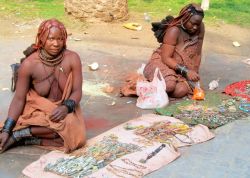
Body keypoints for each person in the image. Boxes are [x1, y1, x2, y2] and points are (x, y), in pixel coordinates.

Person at [0, 19, 86, 153]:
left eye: (60, 39)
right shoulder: (29, 64)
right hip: (36, 109)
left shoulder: (72, 58)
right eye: (51, 39)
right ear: (42, 39)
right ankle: (19, 134)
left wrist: (66, 107)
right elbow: (18, 99)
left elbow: (77, 91)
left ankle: (22, 136)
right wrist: (6, 130)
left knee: (75, 135)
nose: (56, 44)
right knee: (63, 129)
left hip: (61, 110)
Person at [143, 3, 205, 98]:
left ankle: (161, 83)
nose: (195, 27)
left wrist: (194, 72)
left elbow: (198, 53)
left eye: (198, 24)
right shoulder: (174, 30)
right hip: (162, 62)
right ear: (185, 18)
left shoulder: (200, 28)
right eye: (192, 23)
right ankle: (150, 76)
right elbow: (166, 58)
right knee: (170, 86)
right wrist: (186, 71)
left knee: (181, 91)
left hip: (180, 68)